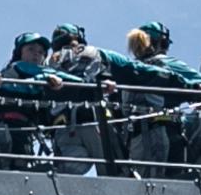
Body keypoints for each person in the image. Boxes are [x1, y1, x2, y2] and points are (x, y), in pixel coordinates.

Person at [46, 23, 182, 175]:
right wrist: (190, 86)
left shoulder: (47, 66)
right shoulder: (92, 53)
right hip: (97, 122)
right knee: (117, 175)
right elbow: (127, 72)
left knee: (64, 178)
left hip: (64, 128)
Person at [123, 21, 201, 179]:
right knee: (166, 189)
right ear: (162, 43)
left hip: (135, 141)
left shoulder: (129, 71)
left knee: (144, 188)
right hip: (162, 137)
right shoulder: (165, 64)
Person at [0, 32, 81, 171]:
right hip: (11, 131)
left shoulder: (20, 73)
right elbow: (66, 79)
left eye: (41, 52)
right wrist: (86, 84)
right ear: (20, 52)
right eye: (31, 49)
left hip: (11, 132)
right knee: (17, 173)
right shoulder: (19, 67)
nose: (36, 54)